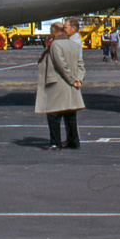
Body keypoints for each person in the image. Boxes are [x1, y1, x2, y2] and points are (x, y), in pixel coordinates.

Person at [36, 21, 85, 150]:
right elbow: (81, 64)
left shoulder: (55, 45)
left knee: (53, 114)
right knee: (70, 114)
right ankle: (73, 141)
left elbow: (61, 65)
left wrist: (71, 79)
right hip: (71, 86)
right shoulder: (73, 44)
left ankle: (55, 142)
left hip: (58, 84)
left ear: (53, 31)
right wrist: (78, 79)